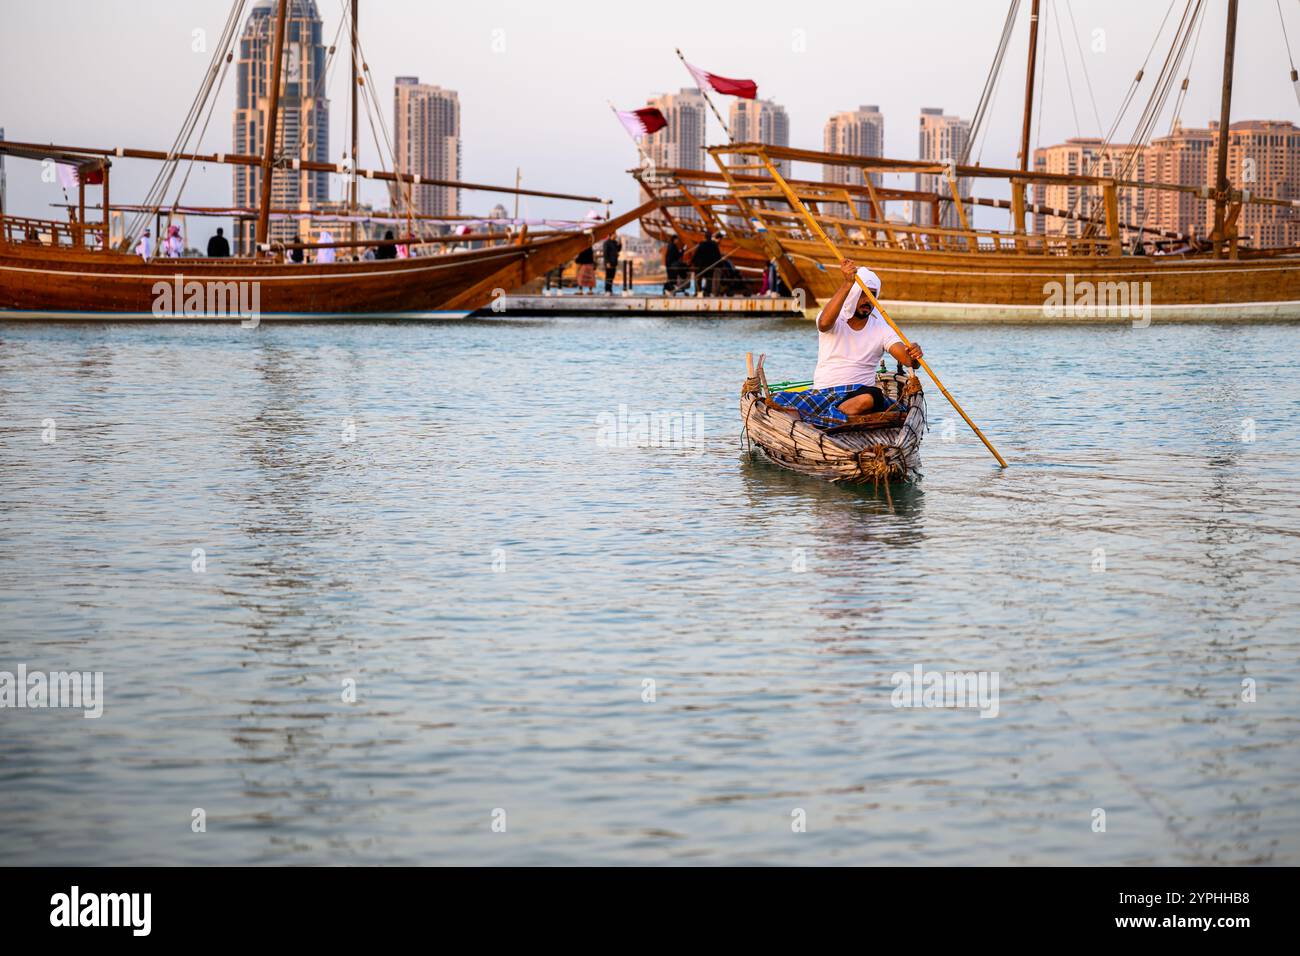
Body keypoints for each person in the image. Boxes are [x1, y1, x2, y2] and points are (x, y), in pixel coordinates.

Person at [768, 259, 923, 428]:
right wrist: (847, 283)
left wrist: (914, 355)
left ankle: (825, 419)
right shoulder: (834, 317)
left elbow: (908, 360)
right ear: (853, 294)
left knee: (872, 397)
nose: (867, 301)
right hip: (824, 394)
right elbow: (823, 324)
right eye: (862, 294)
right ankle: (832, 416)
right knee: (776, 399)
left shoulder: (881, 328)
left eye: (871, 295)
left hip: (860, 394)